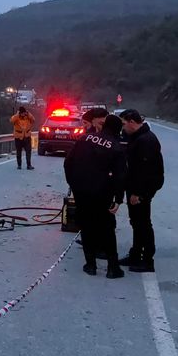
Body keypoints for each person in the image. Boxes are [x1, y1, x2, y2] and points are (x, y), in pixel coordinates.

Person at [65, 115, 127, 278]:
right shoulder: (116, 147)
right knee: (107, 228)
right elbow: (120, 176)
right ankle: (113, 268)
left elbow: (68, 162)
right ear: (118, 130)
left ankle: (90, 265)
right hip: (102, 192)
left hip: (81, 190)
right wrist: (118, 199)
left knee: (86, 227)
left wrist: (73, 183)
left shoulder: (85, 138)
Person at [118, 109, 164, 273]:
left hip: (143, 188)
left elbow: (144, 170)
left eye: (123, 124)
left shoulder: (146, 140)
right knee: (136, 222)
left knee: (143, 223)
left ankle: (147, 259)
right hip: (135, 186)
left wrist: (138, 193)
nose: (122, 128)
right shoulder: (137, 138)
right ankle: (136, 254)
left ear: (132, 122)